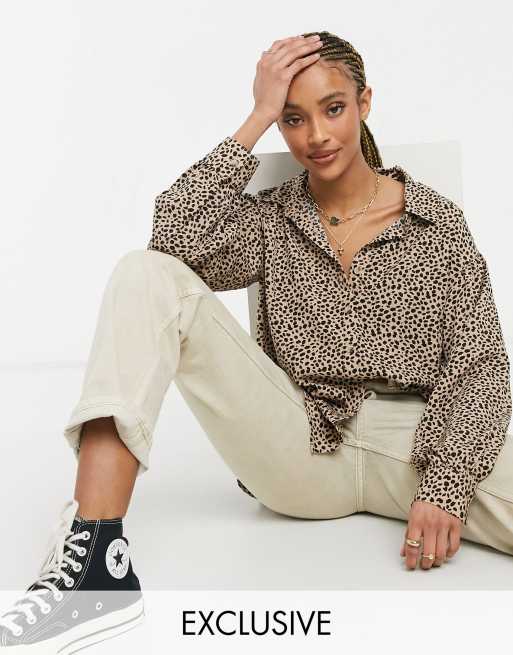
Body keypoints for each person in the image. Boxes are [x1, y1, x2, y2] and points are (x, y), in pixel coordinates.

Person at [1, 30, 512, 651]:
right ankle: (94, 561)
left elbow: (482, 366)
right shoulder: (270, 219)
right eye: (293, 119)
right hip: (300, 442)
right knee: (144, 273)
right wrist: (257, 115)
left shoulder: (436, 224)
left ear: (364, 102)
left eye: (333, 108)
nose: (316, 135)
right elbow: (170, 239)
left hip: (419, 442)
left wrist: (447, 485)